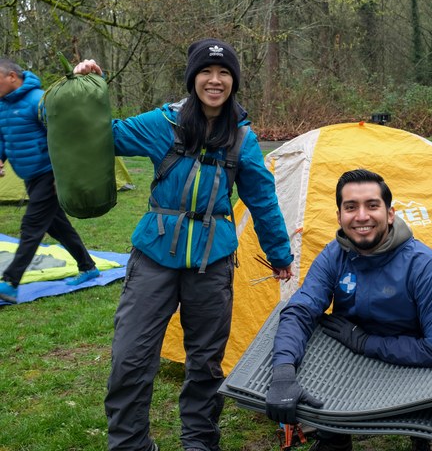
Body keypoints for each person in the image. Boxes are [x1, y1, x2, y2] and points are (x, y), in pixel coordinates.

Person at [73, 38, 294, 451]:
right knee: (130, 358)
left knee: (206, 363)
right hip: (154, 256)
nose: (215, 80)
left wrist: (279, 254)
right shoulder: (163, 124)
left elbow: (263, 199)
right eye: (206, 73)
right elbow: (105, 134)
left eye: (224, 73)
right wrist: (88, 90)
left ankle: (200, 441)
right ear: (193, 79)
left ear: (234, 81)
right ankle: (130, 444)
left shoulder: (243, 139)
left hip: (213, 262)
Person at [264, 169, 432, 451]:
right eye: (350, 207)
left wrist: (366, 342)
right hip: (348, 358)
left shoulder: (423, 264)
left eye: (372, 205)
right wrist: (283, 371)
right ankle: (334, 434)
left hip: (409, 362)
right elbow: (301, 310)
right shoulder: (334, 254)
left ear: (390, 214)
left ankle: (420, 431)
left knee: (418, 409)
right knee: (310, 326)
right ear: (339, 216)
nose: (361, 216)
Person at [0, 59, 100, 304]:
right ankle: (88, 267)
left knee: (31, 226)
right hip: (29, 176)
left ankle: (10, 282)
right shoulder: (2, 106)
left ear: (12, 77)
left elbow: (64, 137)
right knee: (58, 226)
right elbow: (4, 136)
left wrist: (62, 174)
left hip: (49, 174)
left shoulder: (40, 101)